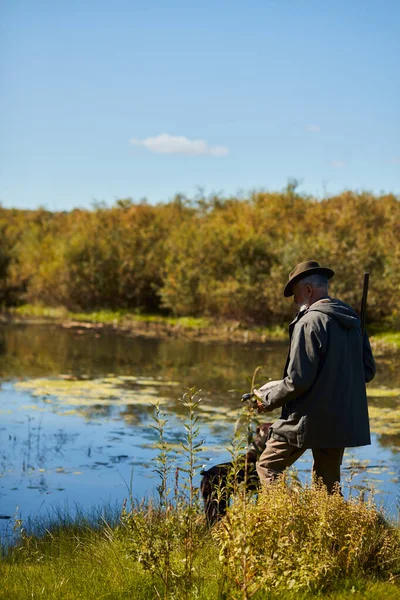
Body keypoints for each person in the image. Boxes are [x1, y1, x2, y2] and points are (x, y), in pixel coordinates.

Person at [253, 260, 376, 493]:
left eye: (295, 293)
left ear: (309, 290)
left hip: (307, 420)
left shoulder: (309, 321)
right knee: (327, 487)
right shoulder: (352, 319)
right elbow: (367, 372)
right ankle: (332, 526)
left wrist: (267, 399)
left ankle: (288, 520)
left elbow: (298, 380)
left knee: (268, 466)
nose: (294, 300)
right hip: (339, 420)